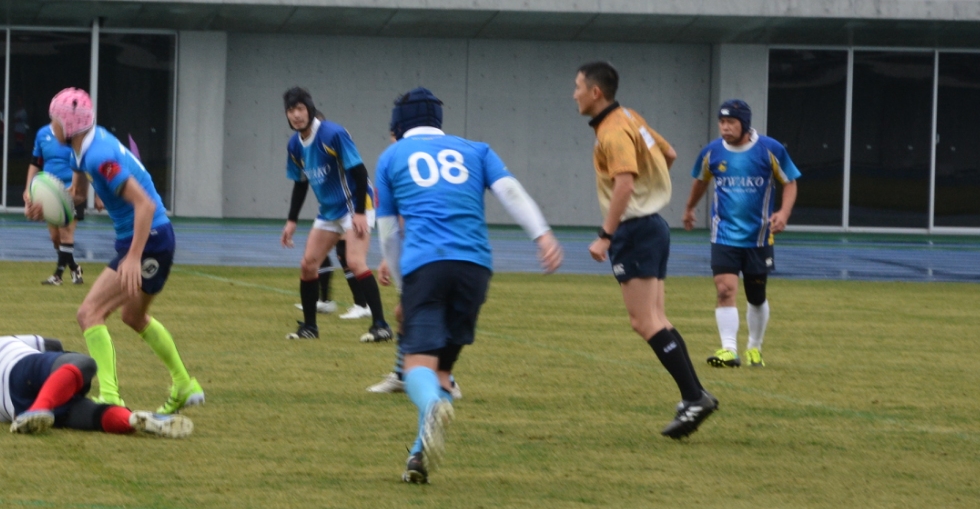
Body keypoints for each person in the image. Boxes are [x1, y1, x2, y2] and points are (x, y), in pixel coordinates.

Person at [373, 87, 561, 483]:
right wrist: (542, 235)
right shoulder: (477, 150)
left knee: (416, 366)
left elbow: (388, 232)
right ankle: (418, 457)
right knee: (442, 370)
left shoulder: (391, 157)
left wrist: (404, 290)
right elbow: (510, 191)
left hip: (427, 265)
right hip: (475, 268)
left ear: (398, 126)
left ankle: (431, 408)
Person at [573, 60, 718, 439]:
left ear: (595, 92)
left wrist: (605, 235)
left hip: (634, 230)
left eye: (578, 87)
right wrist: (651, 190)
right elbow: (668, 155)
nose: (574, 95)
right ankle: (695, 395)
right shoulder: (631, 118)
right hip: (653, 225)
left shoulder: (613, 130)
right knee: (657, 318)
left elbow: (624, 183)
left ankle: (694, 397)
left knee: (644, 322)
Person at [51, 88, 204, 416]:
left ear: (69, 125)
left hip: (149, 238)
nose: (52, 127)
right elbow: (77, 196)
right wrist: (44, 205)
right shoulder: (80, 150)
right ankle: (184, 384)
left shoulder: (99, 156)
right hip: (148, 238)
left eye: (55, 121)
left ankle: (109, 397)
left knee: (89, 313)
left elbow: (145, 206)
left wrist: (133, 257)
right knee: (133, 317)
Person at [682, 98, 802, 368]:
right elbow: (700, 181)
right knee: (724, 289)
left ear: (745, 124)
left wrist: (783, 213)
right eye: (722, 122)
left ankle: (754, 348)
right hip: (723, 235)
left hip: (759, 237)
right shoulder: (712, 152)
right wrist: (689, 208)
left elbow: (790, 182)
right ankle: (729, 350)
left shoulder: (770, 149)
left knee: (756, 297)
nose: (725, 127)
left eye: (731, 122)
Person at [279, 86, 389, 343]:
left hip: (355, 204)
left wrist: (359, 213)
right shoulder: (294, 145)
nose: (296, 115)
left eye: (300, 109)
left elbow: (360, 172)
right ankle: (309, 328)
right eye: (291, 110)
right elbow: (300, 184)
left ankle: (381, 326)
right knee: (308, 265)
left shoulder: (332, 134)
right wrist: (291, 220)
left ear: (310, 109)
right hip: (329, 211)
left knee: (355, 261)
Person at [0, 333, 192, 437]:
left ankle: (131, 420)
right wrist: (61, 363)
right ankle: (40, 407)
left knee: (92, 415)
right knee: (85, 363)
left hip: (16, 406)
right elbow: (52, 344)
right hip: (21, 370)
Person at [24, 117, 84, 285]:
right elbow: (35, 162)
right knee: (55, 238)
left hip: (71, 191)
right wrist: (28, 188)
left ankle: (58, 276)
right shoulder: (42, 134)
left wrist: (96, 194)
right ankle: (74, 267)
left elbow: (85, 163)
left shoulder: (74, 135)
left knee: (66, 233)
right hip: (49, 192)